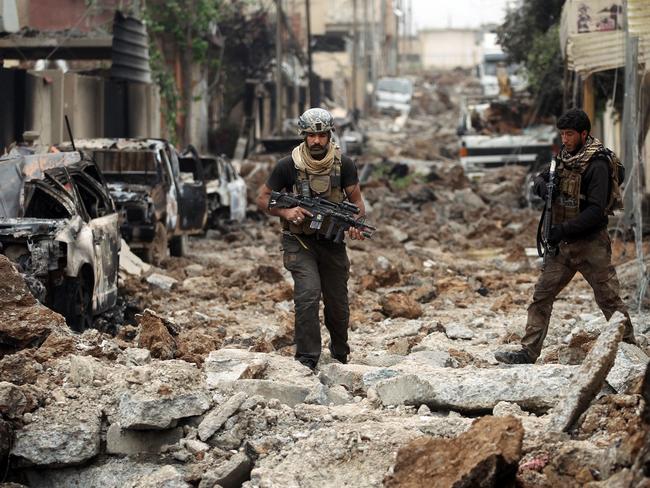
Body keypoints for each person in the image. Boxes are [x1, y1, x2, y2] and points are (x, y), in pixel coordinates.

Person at [495, 108, 636, 364]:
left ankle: (631, 351)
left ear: (584, 134)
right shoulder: (565, 156)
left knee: (609, 299)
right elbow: (545, 175)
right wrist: (541, 184)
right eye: (562, 134)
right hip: (562, 247)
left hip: (591, 246)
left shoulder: (598, 164)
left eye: (570, 134)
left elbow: (595, 211)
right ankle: (528, 351)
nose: (565, 139)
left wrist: (562, 230)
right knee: (542, 296)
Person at [256, 107, 366, 370]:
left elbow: (358, 202)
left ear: (329, 135)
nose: (316, 141)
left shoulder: (344, 165)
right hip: (300, 242)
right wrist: (286, 211)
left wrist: (355, 224)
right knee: (307, 296)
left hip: (332, 243)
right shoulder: (287, 166)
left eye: (321, 136)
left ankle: (339, 354)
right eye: (311, 136)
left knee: (337, 304)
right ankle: (307, 360)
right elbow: (262, 198)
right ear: (303, 136)